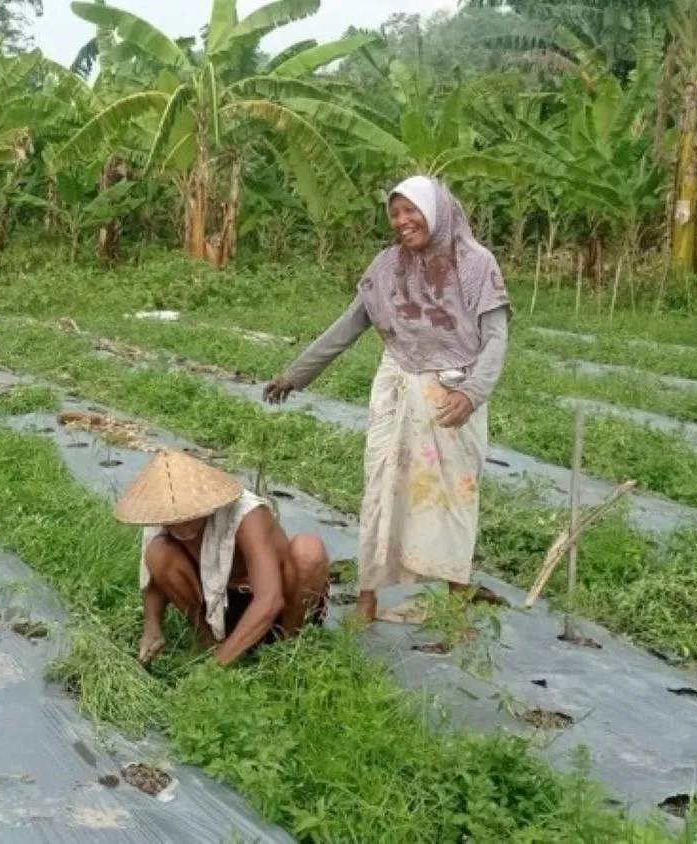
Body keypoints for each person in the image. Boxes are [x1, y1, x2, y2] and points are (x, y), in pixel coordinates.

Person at [263, 176, 511, 624]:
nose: (402, 221)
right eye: (394, 213)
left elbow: (495, 339)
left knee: (453, 494)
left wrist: (473, 394)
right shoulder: (387, 267)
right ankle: (367, 601)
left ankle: (457, 606)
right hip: (396, 387)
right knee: (380, 489)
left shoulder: (475, 263)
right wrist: (296, 375)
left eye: (410, 210)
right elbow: (348, 325)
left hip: (451, 393)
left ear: (435, 210)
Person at [118, 449, 331, 667]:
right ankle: (210, 641)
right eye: (174, 519)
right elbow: (154, 578)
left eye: (189, 515)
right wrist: (152, 627)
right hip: (220, 606)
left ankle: (287, 649)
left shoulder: (247, 515)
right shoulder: (162, 517)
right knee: (158, 552)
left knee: (309, 550)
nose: (181, 524)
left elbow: (270, 599)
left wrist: (213, 670)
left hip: (275, 606)